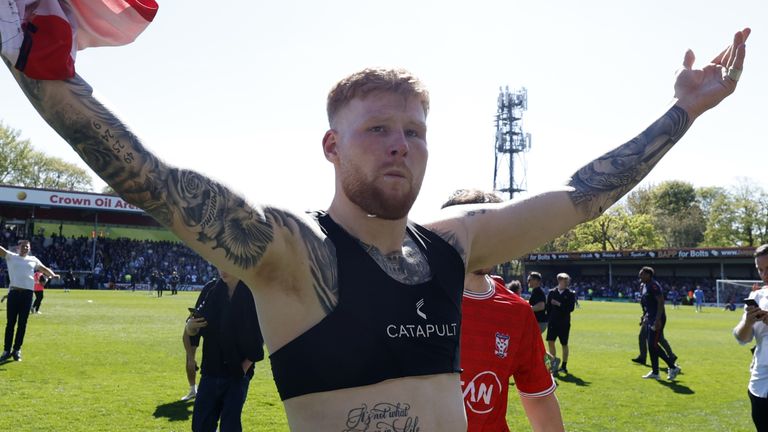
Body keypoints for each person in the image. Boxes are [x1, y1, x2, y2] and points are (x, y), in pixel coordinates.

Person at [0, 18, 750, 429]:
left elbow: (584, 193)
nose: (401, 143)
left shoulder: (455, 244)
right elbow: (153, 182)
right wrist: (38, 66)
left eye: (415, 131)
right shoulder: (293, 253)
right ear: (332, 145)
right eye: (378, 129)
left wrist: (683, 111)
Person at [442, 189, 562, 431]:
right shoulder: (412, 298)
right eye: (475, 230)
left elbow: (538, 396)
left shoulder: (517, 312)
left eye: (496, 231)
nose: (488, 241)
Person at [184, 270, 264, 432]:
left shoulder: (253, 294)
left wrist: (243, 368)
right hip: (210, 371)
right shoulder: (211, 290)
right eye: (218, 263)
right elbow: (194, 327)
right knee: (201, 425)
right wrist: (190, 328)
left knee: (230, 425)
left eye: (227, 263)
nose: (222, 269)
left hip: (237, 373)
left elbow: (260, 334)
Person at [0, 240, 59, 362]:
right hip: (14, 293)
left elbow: (43, 268)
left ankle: (17, 350)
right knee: (10, 324)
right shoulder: (11, 256)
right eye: (23, 246)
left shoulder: (33, 259)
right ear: (18, 247)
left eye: (27, 247)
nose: (25, 248)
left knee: (22, 324)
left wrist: (52, 275)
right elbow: (1, 250)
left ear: (29, 248)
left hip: (27, 294)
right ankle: (6, 351)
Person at [734, 244, 768, 431]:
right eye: (760, 269)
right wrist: (747, 322)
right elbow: (741, 338)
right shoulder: (757, 295)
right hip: (760, 381)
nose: (764, 275)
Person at [638, 266, 681, 380]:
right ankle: (656, 372)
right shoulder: (645, 286)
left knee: (653, 345)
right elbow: (648, 304)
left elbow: (661, 302)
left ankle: (672, 367)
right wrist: (644, 316)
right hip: (650, 318)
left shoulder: (653, 285)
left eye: (642, 274)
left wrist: (657, 319)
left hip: (657, 319)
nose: (640, 275)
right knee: (652, 345)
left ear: (648, 275)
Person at [546, 273, 577, 375]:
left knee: (564, 344)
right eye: (565, 281)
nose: (567, 283)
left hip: (564, 323)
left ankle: (564, 366)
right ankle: (553, 364)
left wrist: (559, 304)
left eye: (567, 281)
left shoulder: (570, 294)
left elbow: (571, 308)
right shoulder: (551, 293)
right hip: (552, 322)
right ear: (559, 281)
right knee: (550, 342)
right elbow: (548, 308)